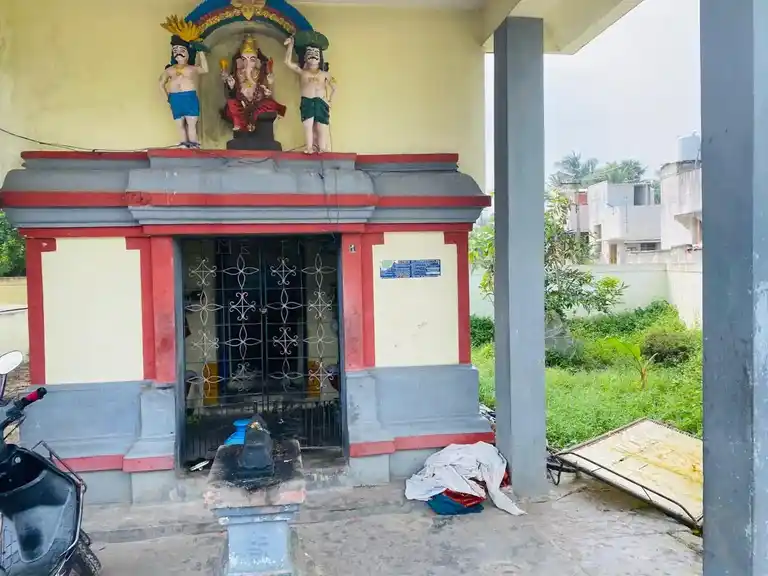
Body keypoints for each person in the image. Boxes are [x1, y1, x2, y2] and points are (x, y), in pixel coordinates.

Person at [284, 34, 336, 154]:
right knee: (308, 124)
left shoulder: (325, 74)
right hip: (307, 100)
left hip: (321, 101)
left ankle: (322, 147)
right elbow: (287, 62)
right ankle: (309, 147)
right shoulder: (302, 71)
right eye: (310, 52)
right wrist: (291, 44)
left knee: (321, 126)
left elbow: (335, 88)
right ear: (305, 57)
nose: (313, 55)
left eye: (316, 52)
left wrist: (330, 101)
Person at [222, 36, 286, 132]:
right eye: (244, 59)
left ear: (257, 60)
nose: (247, 63)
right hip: (242, 103)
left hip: (258, 103)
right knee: (231, 104)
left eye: (251, 59)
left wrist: (268, 87)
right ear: (240, 60)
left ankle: (251, 123)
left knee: (268, 105)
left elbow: (266, 90)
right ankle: (239, 124)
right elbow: (233, 92)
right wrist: (230, 85)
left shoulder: (259, 73)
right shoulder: (238, 73)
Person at [159, 36, 209, 148]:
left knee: (191, 124)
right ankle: (183, 144)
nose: (178, 53)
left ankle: (193, 145)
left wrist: (201, 52)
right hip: (175, 98)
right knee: (179, 123)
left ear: (188, 53)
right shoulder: (169, 70)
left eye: (182, 50)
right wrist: (167, 98)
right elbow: (161, 83)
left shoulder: (191, 68)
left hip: (189, 97)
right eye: (175, 51)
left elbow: (205, 69)